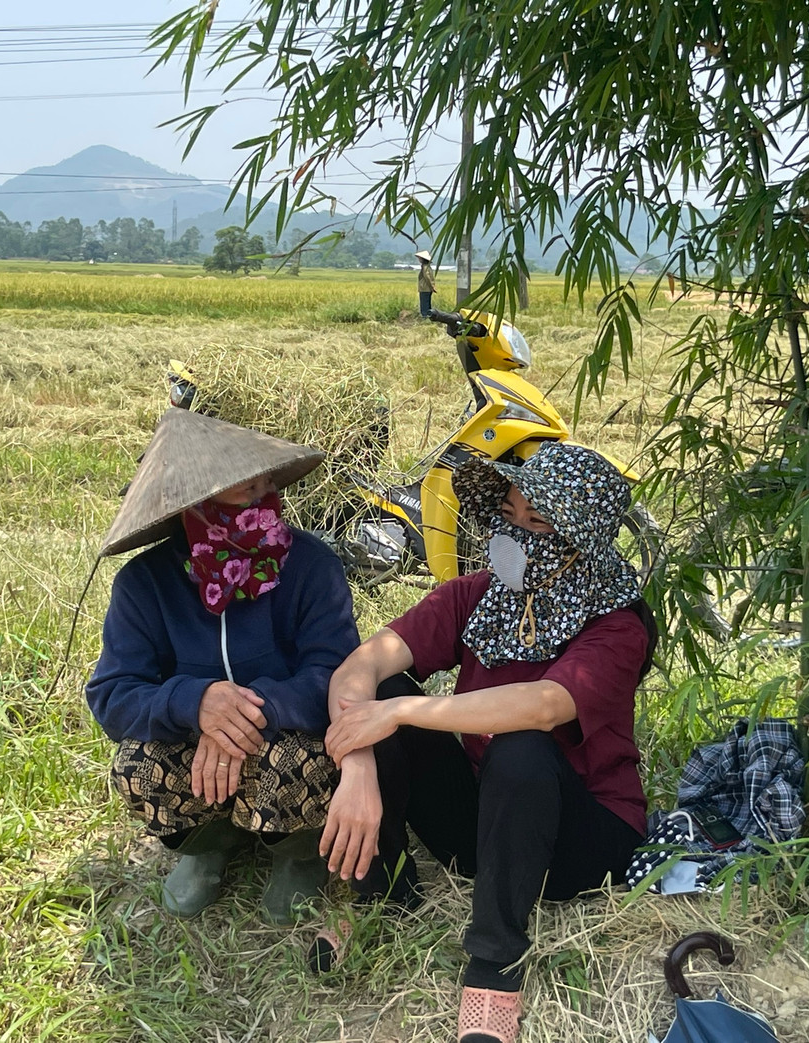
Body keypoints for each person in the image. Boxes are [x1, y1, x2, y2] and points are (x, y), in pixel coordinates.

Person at [315, 442, 655, 1043]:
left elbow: (544, 704)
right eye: (511, 514)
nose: (517, 534)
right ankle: (381, 892)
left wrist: (400, 710)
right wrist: (360, 761)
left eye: (539, 522)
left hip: (582, 838)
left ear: (586, 540)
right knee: (386, 689)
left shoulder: (618, 624)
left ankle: (494, 969)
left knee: (518, 745)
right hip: (487, 825)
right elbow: (358, 668)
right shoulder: (479, 595)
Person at [86, 408, 361, 926]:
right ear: (194, 503)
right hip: (193, 743)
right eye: (240, 488)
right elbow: (113, 695)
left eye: (261, 483)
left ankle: (297, 852)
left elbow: (335, 671)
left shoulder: (311, 565)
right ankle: (209, 845)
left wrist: (246, 711)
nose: (259, 497)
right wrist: (196, 702)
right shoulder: (144, 584)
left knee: (293, 759)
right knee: (136, 766)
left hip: (285, 734)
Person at [416, 250, 436, 316]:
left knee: (424, 304)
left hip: (425, 288)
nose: (419, 259)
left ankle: (425, 316)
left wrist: (432, 287)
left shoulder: (425, 267)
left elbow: (427, 278)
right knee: (427, 303)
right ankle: (429, 316)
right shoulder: (427, 267)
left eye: (419, 258)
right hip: (428, 289)